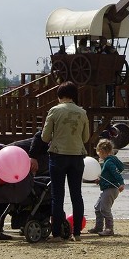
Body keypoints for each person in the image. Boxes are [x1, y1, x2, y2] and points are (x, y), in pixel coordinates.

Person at [41, 81, 90, 242]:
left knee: (57, 195)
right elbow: (86, 137)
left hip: (58, 155)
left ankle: (56, 233)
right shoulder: (82, 112)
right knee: (77, 195)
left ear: (59, 95)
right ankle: (76, 233)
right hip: (77, 156)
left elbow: (45, 137)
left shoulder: (54, 111)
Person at [87, 138, 125, 237]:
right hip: (107, 188)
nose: (98, 155)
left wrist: (121, 183)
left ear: (103, 152)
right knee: (97, 207)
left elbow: (115, 173)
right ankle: (98, 227)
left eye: (98, 153)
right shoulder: (108, 161)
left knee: (105, 209)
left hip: (110, 189)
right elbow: (109, 175)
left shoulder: (109, 162)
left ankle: (109, 229)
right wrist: (101, 180)